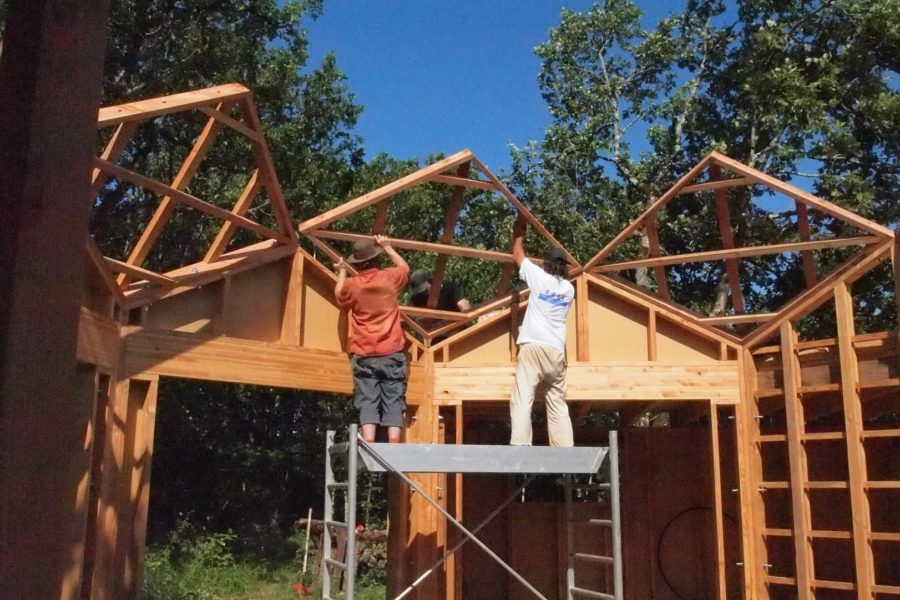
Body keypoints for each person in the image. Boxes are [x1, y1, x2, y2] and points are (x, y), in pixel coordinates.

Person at [335, 235, 410, 443]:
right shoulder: (389, 278)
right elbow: (404, 267)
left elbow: (338, 294)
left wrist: (341, 270)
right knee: (394, 398)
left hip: (365, 352)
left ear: (357, 264)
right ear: (376, 259)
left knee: (367, 399)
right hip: (392, 350)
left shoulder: (352, 286)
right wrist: (388, 247)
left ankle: (369, 442)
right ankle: (394, 445)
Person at [508, 217, 575, 447]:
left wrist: (519, 231)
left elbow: (518, 254)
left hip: (534, 346)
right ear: (564, 268)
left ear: (546, 264)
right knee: (557, 401)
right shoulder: (569, 289)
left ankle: (520, 444)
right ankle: (565, 448)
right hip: (556, 351)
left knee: (523, 397)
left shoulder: (539, 277)